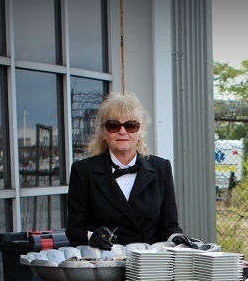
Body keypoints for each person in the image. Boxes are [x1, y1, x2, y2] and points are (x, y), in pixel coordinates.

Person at [66, 91, 194, 249]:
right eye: (113, 125)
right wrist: (93, 236)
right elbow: (74, 230)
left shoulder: (162, 168)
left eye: (130, 125)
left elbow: (169, 226)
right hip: (106, 264)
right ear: (103, 133)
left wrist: (177, 238)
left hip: (148, 265)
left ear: (140, 132)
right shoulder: (83, 171)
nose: (122, 131)